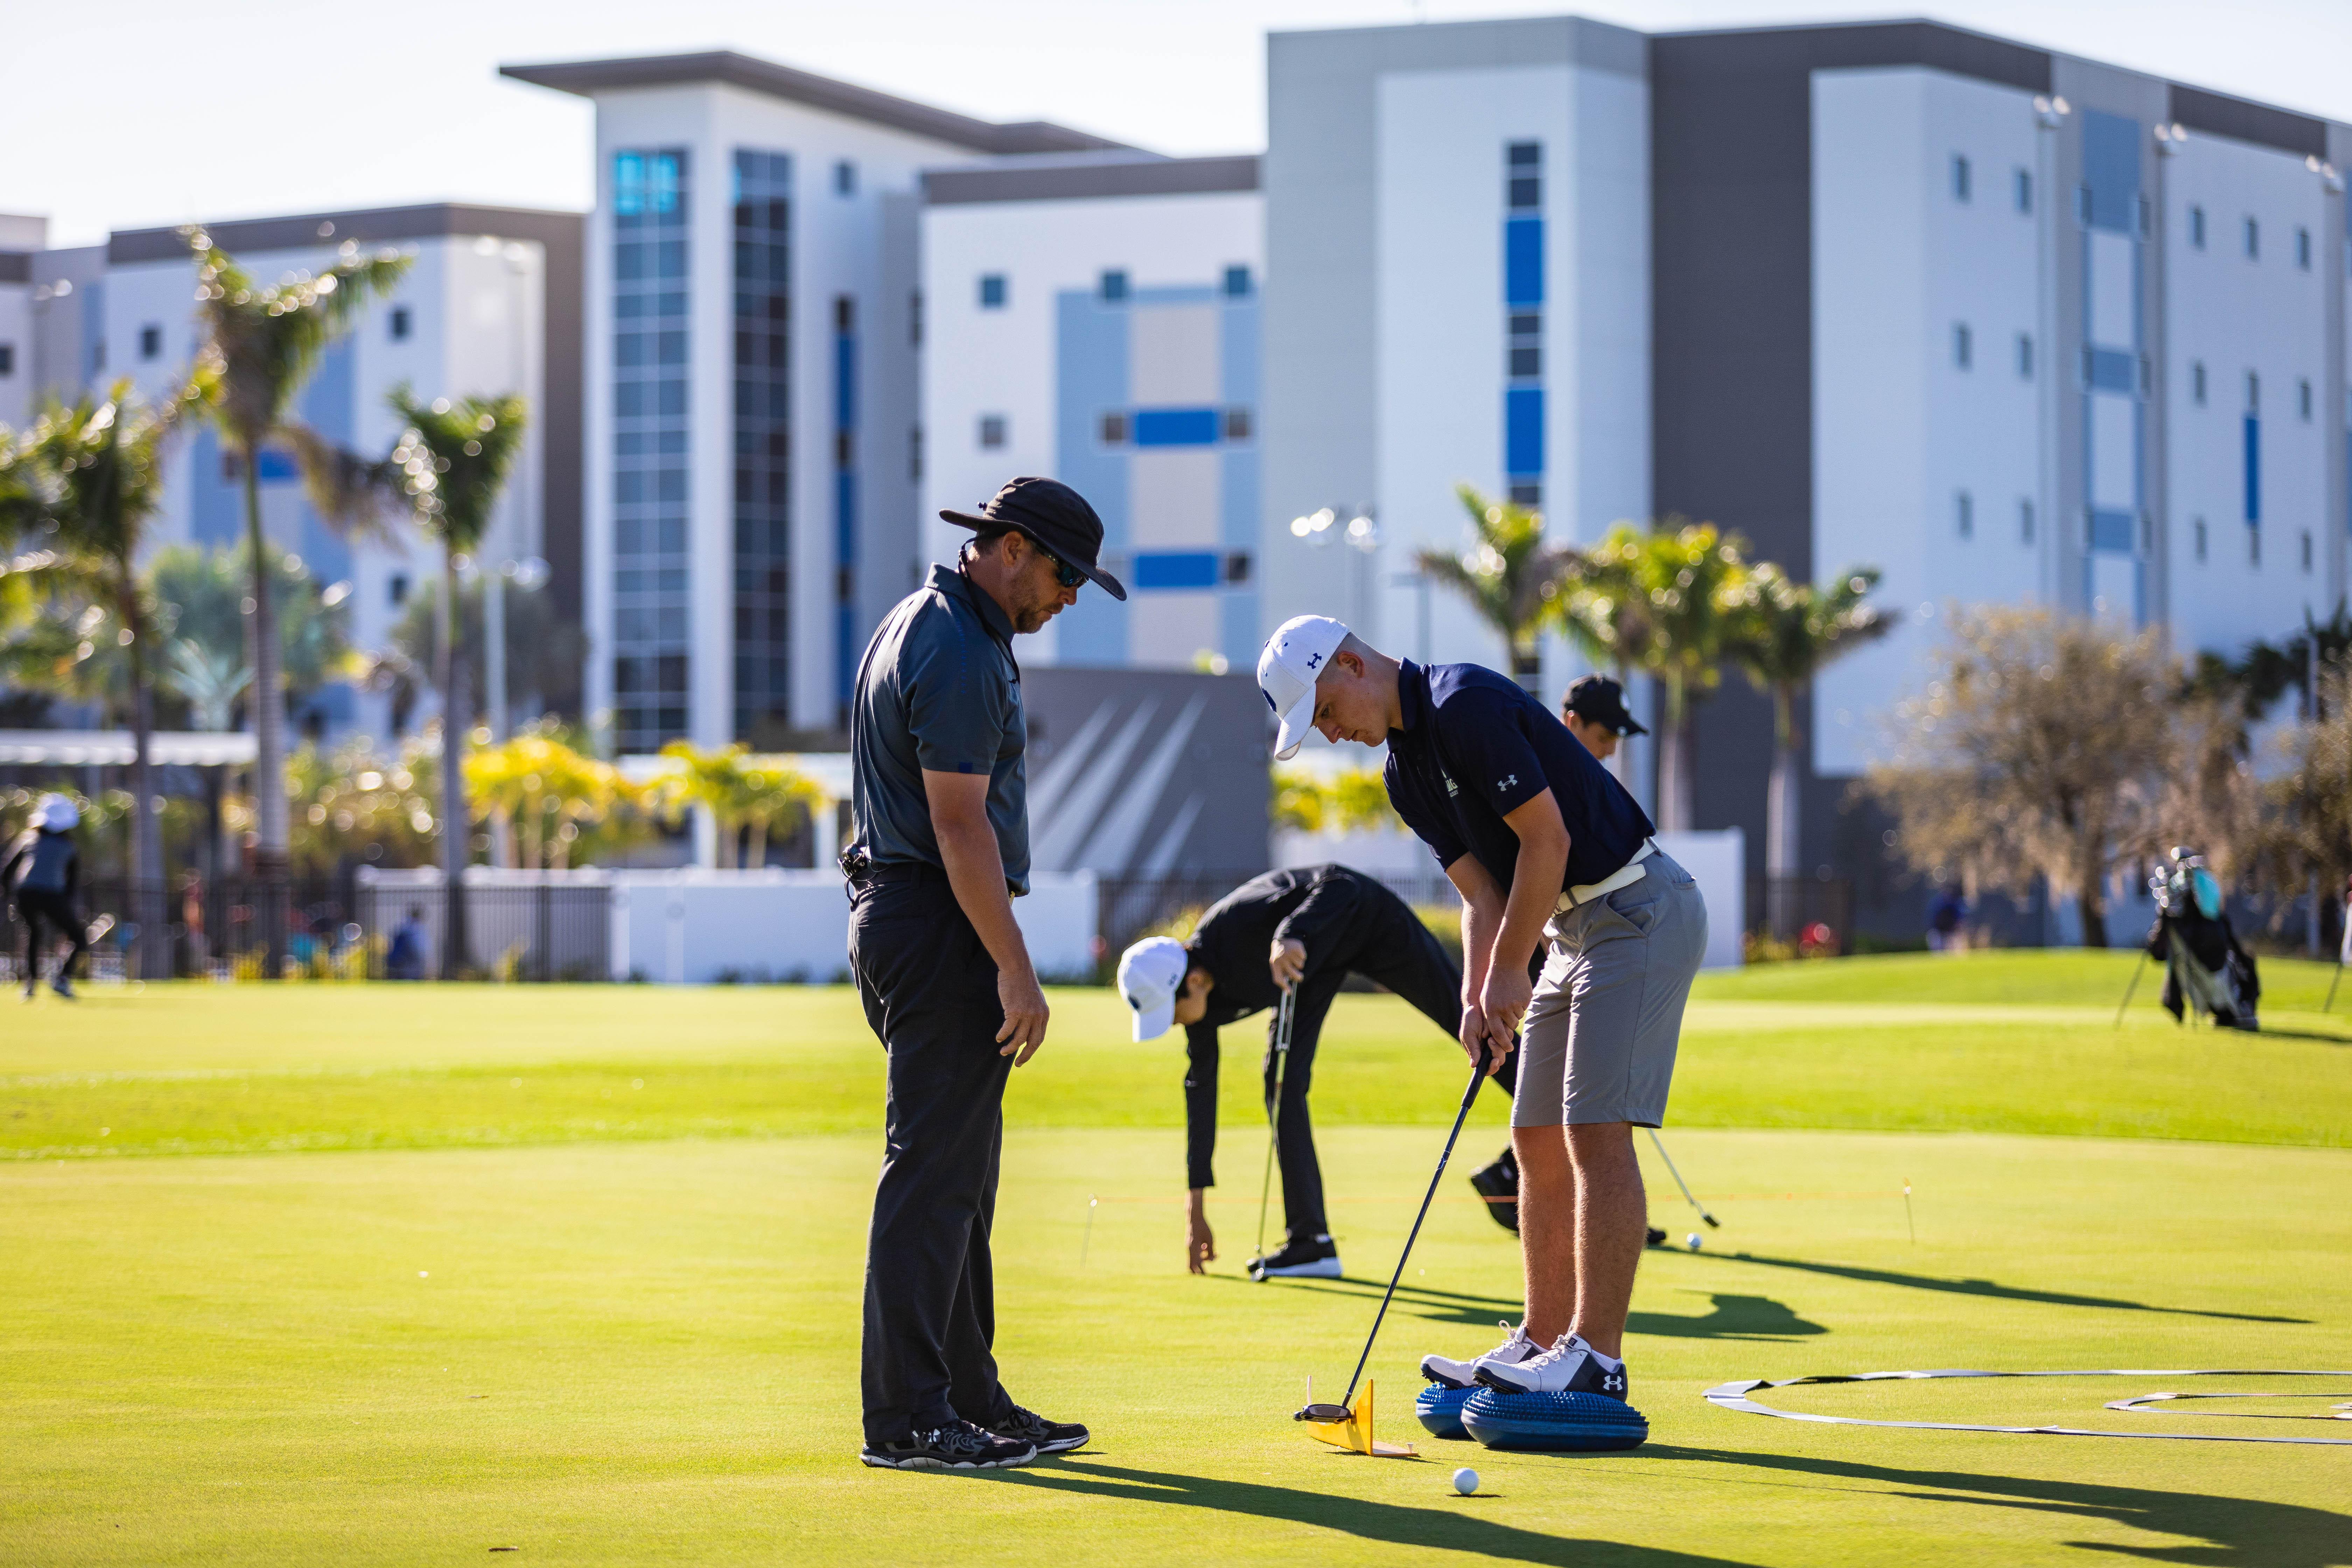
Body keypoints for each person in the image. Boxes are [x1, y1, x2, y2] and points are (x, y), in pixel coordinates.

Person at [1257, 615, 1706, 1413]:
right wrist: (1477, 994)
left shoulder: (1464, 703)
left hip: (1637, 910)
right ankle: (1540, 1339)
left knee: (1594, 1130)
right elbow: (1482, 896)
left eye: (1325, 709)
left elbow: (1548, 842)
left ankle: (1596, 1359)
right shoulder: (1404, 773)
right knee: (1533, 1133)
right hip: (1570, 933)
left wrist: (1508, 972)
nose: (1331, 731)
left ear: (1353, 663)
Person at [842, 476, 1122, 1472]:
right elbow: (958, 825)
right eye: (1064, 576)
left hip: (909, 913)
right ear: (1010, 550)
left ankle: (968, 1395)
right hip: (937, 920)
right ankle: (910, 1419)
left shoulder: (931, 624)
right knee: (931, 1178)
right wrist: (1017, 969)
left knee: (960, 1179)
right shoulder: (957, 644)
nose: (1070, 598)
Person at [1115, 864, 1523, 1279]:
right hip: (1314, 964)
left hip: (1367, 918)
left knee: (1465, 1016)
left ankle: (1556, 1115)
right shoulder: (1200, 1004)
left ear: (1196, 979)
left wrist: (1292, 934)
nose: (1173, 1024)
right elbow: (1200, 1093)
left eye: (1171, 1014)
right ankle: (1311, 1243)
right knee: (1281, 1083)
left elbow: (1338, 884)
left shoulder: (1234, 925)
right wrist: (1195, 1208)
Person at [4, 794, 88, 1000]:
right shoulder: (69, 846)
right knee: (79, 938)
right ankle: (61, 979)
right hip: (52, 896)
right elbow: (72, 882)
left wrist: (10, 896)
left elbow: (7, 872)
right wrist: (67, 907)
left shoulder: (28, 838)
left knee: (33, 934)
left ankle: (30, 985)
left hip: (26, 895)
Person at [1559, 674, 1646, 765]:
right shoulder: (1545, 770)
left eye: (1616, 739)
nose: (1611, 752)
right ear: (1574, 723)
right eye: (1604, 738)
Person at [385, 905, 430, 981]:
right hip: (410, 960)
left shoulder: (405, 928)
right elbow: (421, 949)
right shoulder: (416, 930)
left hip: (404, 961)